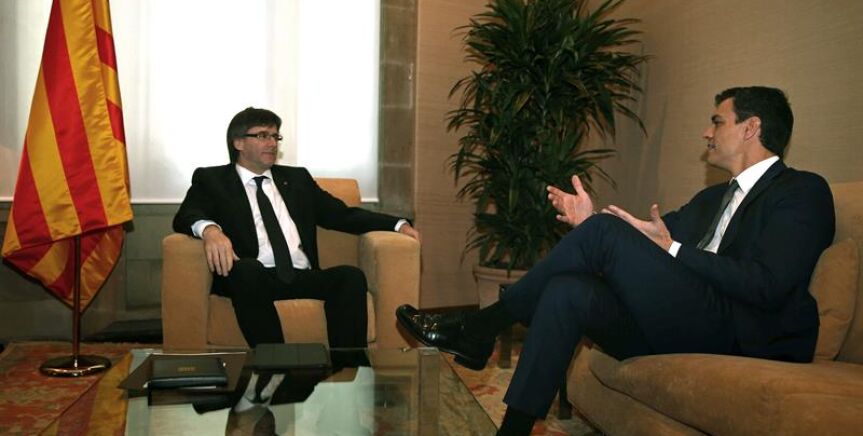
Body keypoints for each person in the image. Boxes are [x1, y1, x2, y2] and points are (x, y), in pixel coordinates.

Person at [396, 86, 835, 435]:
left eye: (717, 121)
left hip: (742, 331)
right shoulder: (712, 198)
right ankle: (512, 430)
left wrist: (671, 248)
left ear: (751, 127)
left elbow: (767, 285)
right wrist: (589, 223)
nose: (707, 132)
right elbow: (642, 241)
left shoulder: (802, 191)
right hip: (684, 322)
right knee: (569, 290)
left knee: (604, 234)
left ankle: (479, 328)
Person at [174, 107, 420, 349]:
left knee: (350, 277)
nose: (272, 143)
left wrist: (397, 224)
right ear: (238, 142)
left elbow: (341, 215)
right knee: (247, 269)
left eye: (275, 136)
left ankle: (350, 366)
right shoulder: (213, 180)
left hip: (299, 273)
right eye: (262, 135)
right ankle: (276, 362)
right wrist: (211, 231)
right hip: (252, 278)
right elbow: (186, 214)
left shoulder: (297, 179)